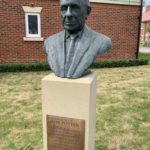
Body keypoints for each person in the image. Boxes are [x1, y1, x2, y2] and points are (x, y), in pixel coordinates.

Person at [44, 0, 112, 79]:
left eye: (74, 8)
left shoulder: (102, 42)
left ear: (87, 12)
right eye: (64, 8)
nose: (68, 14)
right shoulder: (50, 42)